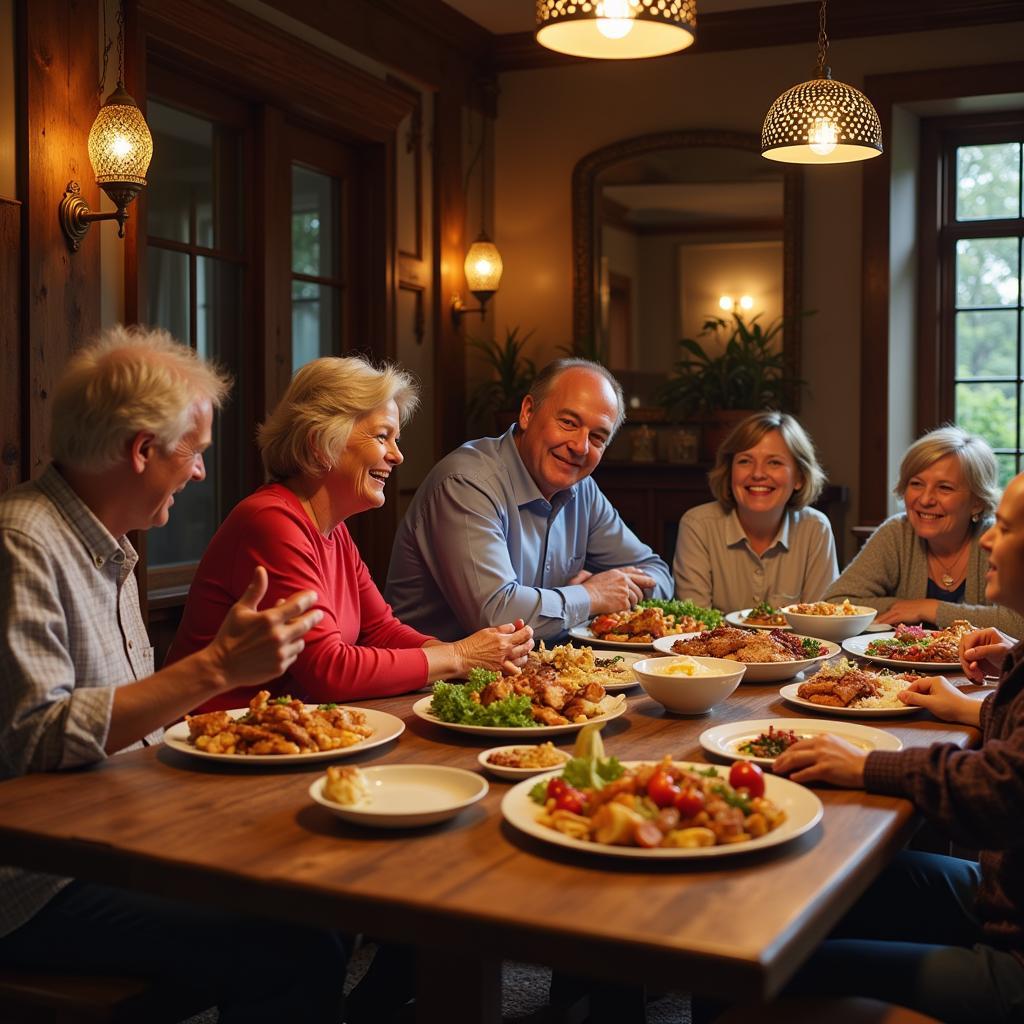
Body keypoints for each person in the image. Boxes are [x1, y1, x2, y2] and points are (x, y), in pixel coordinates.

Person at [0, 325, 348, 1022]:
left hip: (120, 838)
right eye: (195, 454)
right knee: (295, 941)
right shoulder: (22, 543)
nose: (198, 473)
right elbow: (35, 739)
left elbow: (129, 727)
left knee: (320, 885)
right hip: (35, 884)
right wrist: (218, 667)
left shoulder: (110, 544)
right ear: (142, 450)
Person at [767, 470, 1024, 1023]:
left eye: (1001, 527)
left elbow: (996, 793)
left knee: (777, 966)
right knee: (811, 882)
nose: (985, 540)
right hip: (1006, 891)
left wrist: (868, 765)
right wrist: (981, 700)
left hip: (1015, 958)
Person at [167, 355, 533, 711]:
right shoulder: (270, 520)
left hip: (289, 740)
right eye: (382, 437)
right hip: (220, 746)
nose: (397, 456)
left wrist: (474, 658)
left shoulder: (332, 529)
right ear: (319, 443)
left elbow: (382, 631)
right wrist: (458, 656)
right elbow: (328, 670)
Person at [383, 358, 673, 642]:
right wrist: (590, 596)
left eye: (597, 437)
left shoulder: (583, 490)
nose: (580, 446)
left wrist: (611, 589)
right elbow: (496, 617)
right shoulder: (467, 483)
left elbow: (659, 576)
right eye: (569, 422)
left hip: (535, 674)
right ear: (528, 412)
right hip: (434, 683)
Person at [825, 424, 1024, 633]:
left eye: (944, 487)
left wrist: (932, 609)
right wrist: (906, 607)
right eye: (916, 484)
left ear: (977, 502)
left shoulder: (997, 541)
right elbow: (835, 603)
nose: (925, 499)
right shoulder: (897, 533)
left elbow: (1019, 621)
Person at [673, 410, 838, 612]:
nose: (758, 474)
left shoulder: (816, 529)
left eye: (774, 462)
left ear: (799, 477)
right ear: (729, 470)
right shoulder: (697, 525)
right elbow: (696, 625)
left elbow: (820, 624)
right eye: (745, 461)